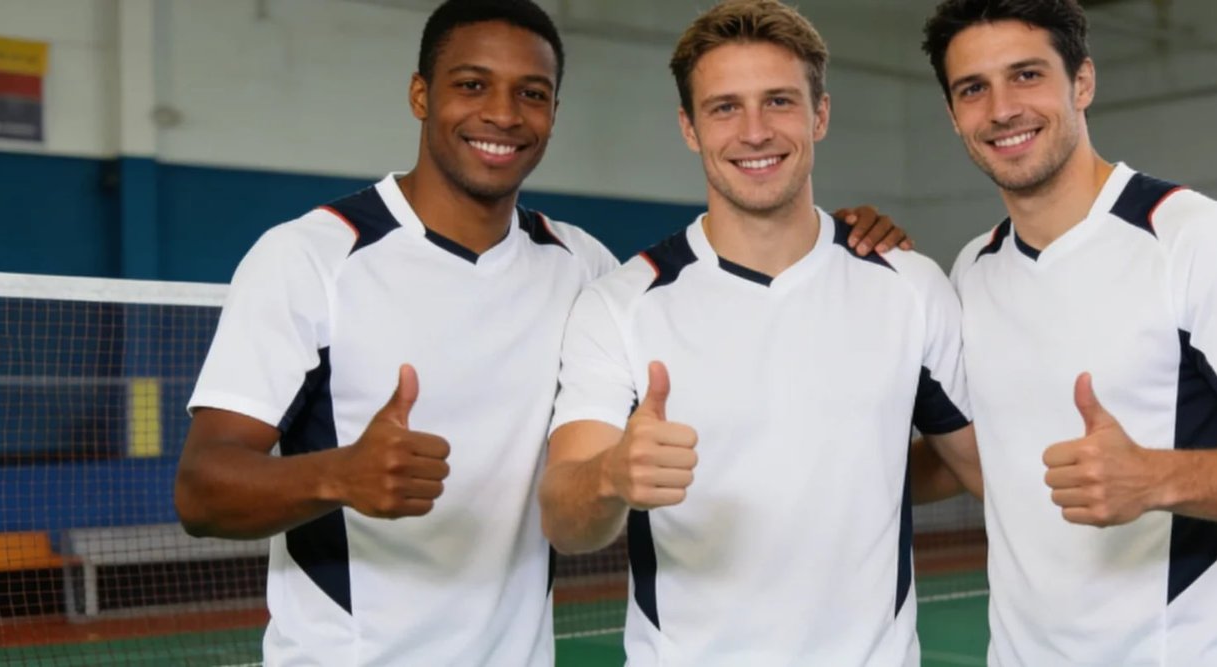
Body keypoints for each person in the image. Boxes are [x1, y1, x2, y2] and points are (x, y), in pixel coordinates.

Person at [170, 1, 907, 664]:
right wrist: (337, 474)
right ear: (421, 94)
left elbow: (730, 291)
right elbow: (201, 491)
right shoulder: (310, 257)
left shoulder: (582, 267)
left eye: (532, 93)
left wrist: (840, 240)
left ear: (553, 110)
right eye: (471, 84)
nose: (503, 113)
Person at [538, 1, 981, 665]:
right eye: (724, 107)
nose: (754, 131)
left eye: (778, 101)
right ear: (689, 127)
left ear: (819, 115)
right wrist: (611, 474)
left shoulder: (911, 287)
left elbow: (982, 466)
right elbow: (565, 522)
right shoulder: (620, 305)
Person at [922, 0, 1217, 665]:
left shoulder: (1196, 237)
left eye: (1027, 75)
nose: (1001, 108)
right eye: (973, 88)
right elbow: (987, 463)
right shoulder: (973, 268)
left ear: (1082, 82)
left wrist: (1151, 477)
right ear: (953, 115)